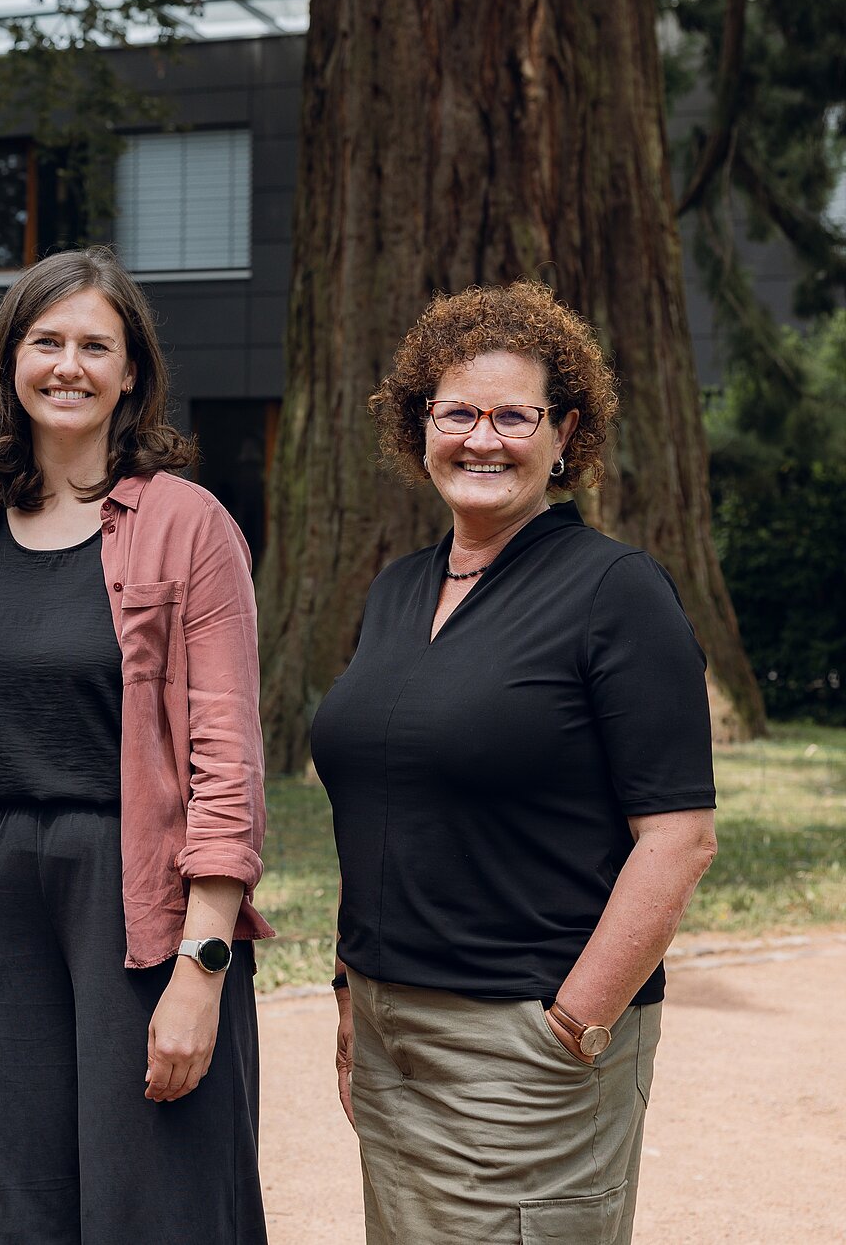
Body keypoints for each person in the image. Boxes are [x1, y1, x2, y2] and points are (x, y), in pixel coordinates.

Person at [310, 281, 719, 1244]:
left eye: (513, 415)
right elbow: (377, 802)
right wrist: (347, 989)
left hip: (523, 1049)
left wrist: (573, 1025)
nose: (481, 438)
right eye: (455, 412)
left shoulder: (617, 592)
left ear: (564, 431)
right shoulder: (399, 589)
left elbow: (680, 838)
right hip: (386, 1031)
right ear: (420, 428)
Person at [0, 247, 270, 1243]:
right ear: (9, 361)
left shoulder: (188, 526)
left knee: (154, 1189)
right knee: (12, 1193)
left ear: (131, 375)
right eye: (45, 341)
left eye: (93, 346)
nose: (67, 365)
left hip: (135, 880)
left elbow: (225, 755)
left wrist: (200, 962)